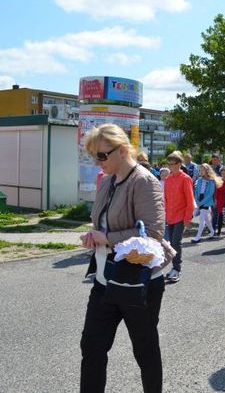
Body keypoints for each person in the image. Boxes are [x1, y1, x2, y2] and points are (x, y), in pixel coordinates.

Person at [79, 123, 165, 392]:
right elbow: (105, 224)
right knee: (92, 346)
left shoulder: (144, 181)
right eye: (94, 156)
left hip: (139, 282)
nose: (97, 162)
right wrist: (93, 235)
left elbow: (153, 234)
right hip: (105, 279)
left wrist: (109, 238)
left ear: (122, 149)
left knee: (145, 350)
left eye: (102, 155)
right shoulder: (107, 181)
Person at [163, 152, 195, 284]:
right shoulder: (168, 179)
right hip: (169, 216)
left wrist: (187, 219)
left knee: (176, 243)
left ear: (179, 164)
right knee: (171, 244)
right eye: (169, 164)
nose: (170, 167)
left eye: (172, 164)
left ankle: (176, 269)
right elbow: (165, 199)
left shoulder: (186, 178)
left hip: (181, 216)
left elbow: (190, 200)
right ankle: (172, 268)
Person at [192, 164, 221, 243]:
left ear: (207, 170)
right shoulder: (199, 180)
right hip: (199, 201)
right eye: (200, 170)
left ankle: (198, 236)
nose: (200, 172)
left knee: (202, 218)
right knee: (206, 218)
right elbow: (196, 192)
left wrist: (202, 203)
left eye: (202, 170)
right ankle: (212, 231)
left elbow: (210, 193)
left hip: (207, 201)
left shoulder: (211, 181)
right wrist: (197, 201)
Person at [214, 166, 225, 235]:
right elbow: (216, 191)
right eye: (222, 173)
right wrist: (215, 200)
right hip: (220, 200)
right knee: (220, 215)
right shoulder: (219, 180)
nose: (223, 175)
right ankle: (219, 231)